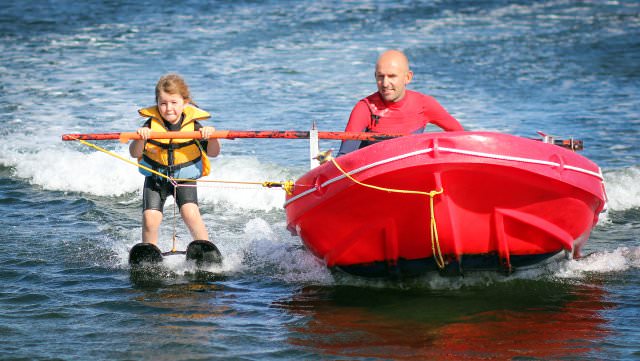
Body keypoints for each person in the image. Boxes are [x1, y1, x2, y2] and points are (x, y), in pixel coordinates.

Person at [129, 73, 221, 246]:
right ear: (157, 103)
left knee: (190, 213)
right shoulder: (149, 125)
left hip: (184, 177)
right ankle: (149, 253)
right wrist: (140, 138)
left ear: (184, 102)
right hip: (155, 179)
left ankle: (205, 249)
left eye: (174, 103)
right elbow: (135, 153)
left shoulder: (194, 126)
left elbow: (213, 153)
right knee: (150, 218)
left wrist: (213, 137)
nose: (168, 108)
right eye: (163, 103)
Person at [337, 50, 464, 156]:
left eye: (392, 76)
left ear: (407, 78)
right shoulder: (365, 108)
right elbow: (344, 156)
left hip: (411, 171)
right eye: (380, 76)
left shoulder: (425, 104)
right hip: (373, 178)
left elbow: (461, 137)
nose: (385, 84)